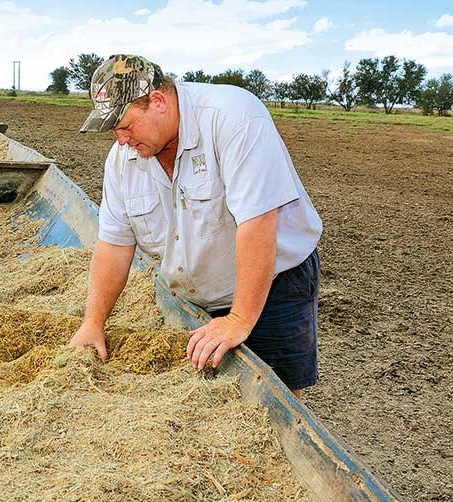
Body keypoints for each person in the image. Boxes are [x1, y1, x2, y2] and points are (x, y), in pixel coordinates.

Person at [68, 54, 322, 398]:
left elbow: (259, 222)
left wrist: (239, 320)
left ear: (157, 101)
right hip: (197, 290)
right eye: (113, 130)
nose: (121, 139)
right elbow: (114, 245)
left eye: (125, 126)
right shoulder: (122, 160)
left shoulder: (233, 117)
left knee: (276, 398)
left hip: (273, 281)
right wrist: (93, 323)